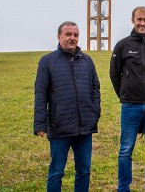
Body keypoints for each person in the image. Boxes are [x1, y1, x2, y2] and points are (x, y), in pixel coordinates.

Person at [33, 21, 101, 192]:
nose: (72, 38)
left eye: (76, 35)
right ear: (59, 37)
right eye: (68, 34)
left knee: (84, 171)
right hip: (59, 127)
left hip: (84, 128)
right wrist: (40, 124)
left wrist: (95, 113)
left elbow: (95, 88)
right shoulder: (47, 61)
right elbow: (41, 94)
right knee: (56, 172)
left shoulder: (87, 61)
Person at [110, 6, 145, 192]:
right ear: (133, 21)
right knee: (125, 150)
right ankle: (123, 188)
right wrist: (125, 95)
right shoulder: (122, 45)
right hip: (130, 106)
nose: (142, 23)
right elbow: (114, 74)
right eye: (139, 19)